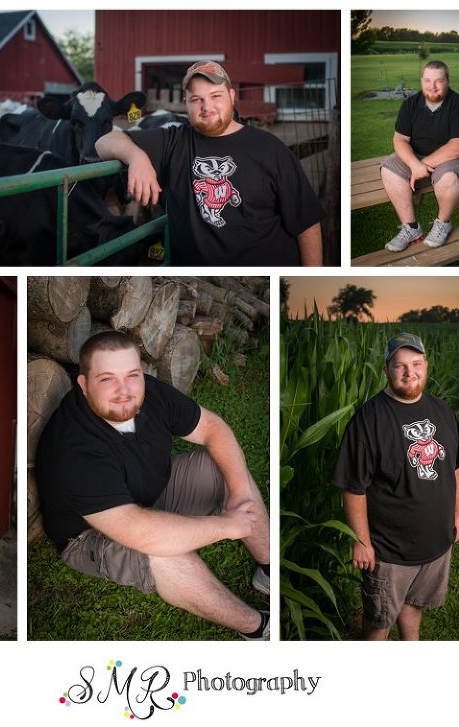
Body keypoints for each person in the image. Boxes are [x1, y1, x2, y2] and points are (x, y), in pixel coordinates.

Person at [36, 331, 270, 640]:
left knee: (224, 468)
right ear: (83, 385)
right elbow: (140, 531)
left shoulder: (148, 393)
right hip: (92, 533)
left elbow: (213, 428)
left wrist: (240, 494)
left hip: (149, 492)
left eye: (132, 375)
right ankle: (257, 627)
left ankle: (270, 569)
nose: (124, 390)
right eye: (107, 379)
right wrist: (227, 526)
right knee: (158, 550)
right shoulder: (74, 449)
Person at [95, 60, 324, 266]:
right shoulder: (174, 141)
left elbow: (307, 223)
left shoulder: (270, 149)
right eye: (197, 99)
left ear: (232, 97)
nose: (207, 107)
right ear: (186, 103)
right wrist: (137, 156)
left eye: (216, 96)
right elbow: (104, 142)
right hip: (200, 285)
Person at [331, 333, 459, 640]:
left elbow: (458, 465)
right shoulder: (368, 420)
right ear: (386, 370)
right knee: (379, 622)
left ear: (426, 366)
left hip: (435, 545)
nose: (410, 373)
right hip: (389, 551)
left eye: (416, 364)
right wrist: (362, 541)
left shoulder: (442, 411)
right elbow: (354, 487)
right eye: (400, 366)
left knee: (414, 603)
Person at [380, 60, 459, 252]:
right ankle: (411, 228)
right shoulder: (410, 104)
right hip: (416, 155)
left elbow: (456, 148)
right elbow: (400, 140)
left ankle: (443, 223)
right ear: (421, 81)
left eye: (439, 81)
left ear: (448, 81)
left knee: (448, 178)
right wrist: (414, 164)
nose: (432, 86)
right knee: (389, 167)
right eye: (427, 80)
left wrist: (419, 165)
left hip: (452, 160)